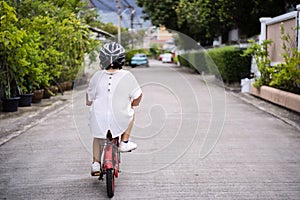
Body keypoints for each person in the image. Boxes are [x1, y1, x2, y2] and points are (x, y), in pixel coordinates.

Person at [86, 42, 142, 176]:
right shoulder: (127, 76)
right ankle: (124, 142)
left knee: (98, 137)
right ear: (121, 59)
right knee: (132, 113)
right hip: (120, 117)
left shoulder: (96, 76)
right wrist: (133, 103)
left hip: (99, 117)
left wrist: (90, 101)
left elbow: (89, 99)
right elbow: (138, 95)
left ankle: (95, 164)